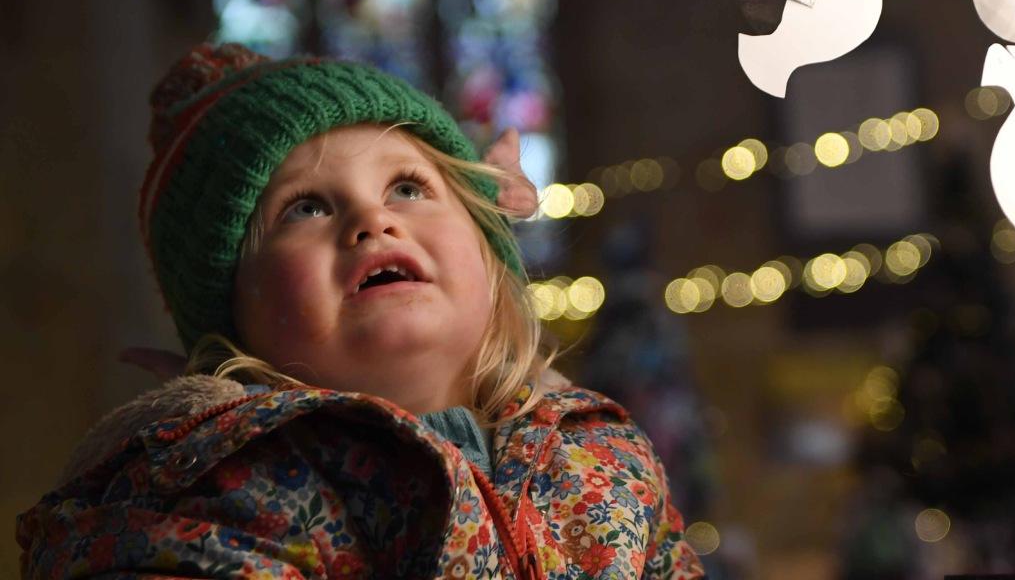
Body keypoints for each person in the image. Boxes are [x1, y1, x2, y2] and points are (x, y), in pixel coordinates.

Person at [17, 43, 706, 579]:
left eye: (407, 186)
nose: (371, 219)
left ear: (490, 256)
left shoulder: (604, 462)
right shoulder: (207, 492)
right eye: (306, 207)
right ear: (231, 316)